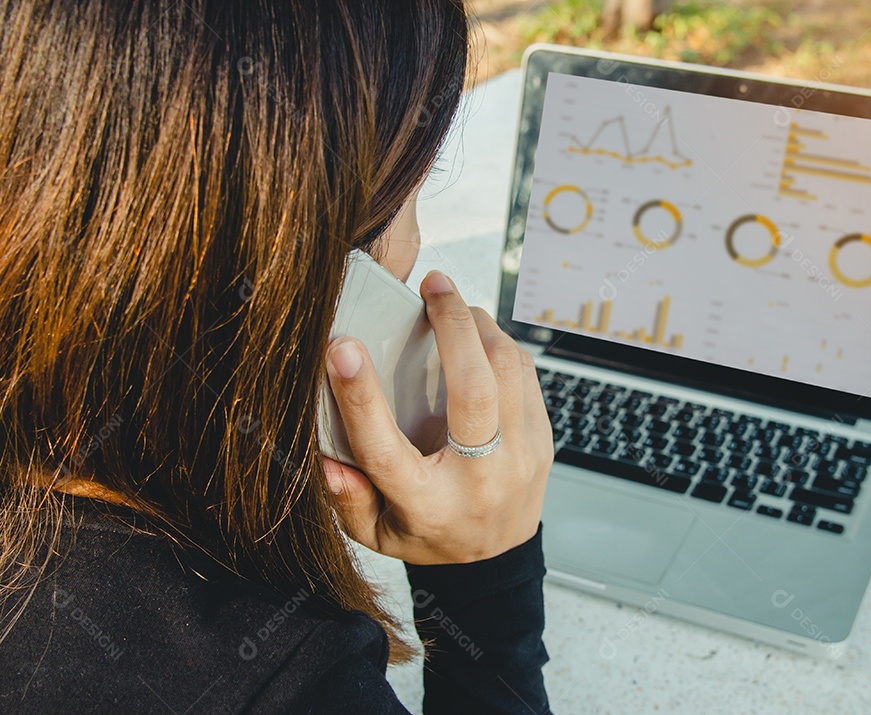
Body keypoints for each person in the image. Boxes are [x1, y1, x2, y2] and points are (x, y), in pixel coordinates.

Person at [0, 1, 553, 713]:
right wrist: (487, 575)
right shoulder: (286, 683)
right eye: (412, 194)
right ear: (308, 269)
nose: (414, 252)